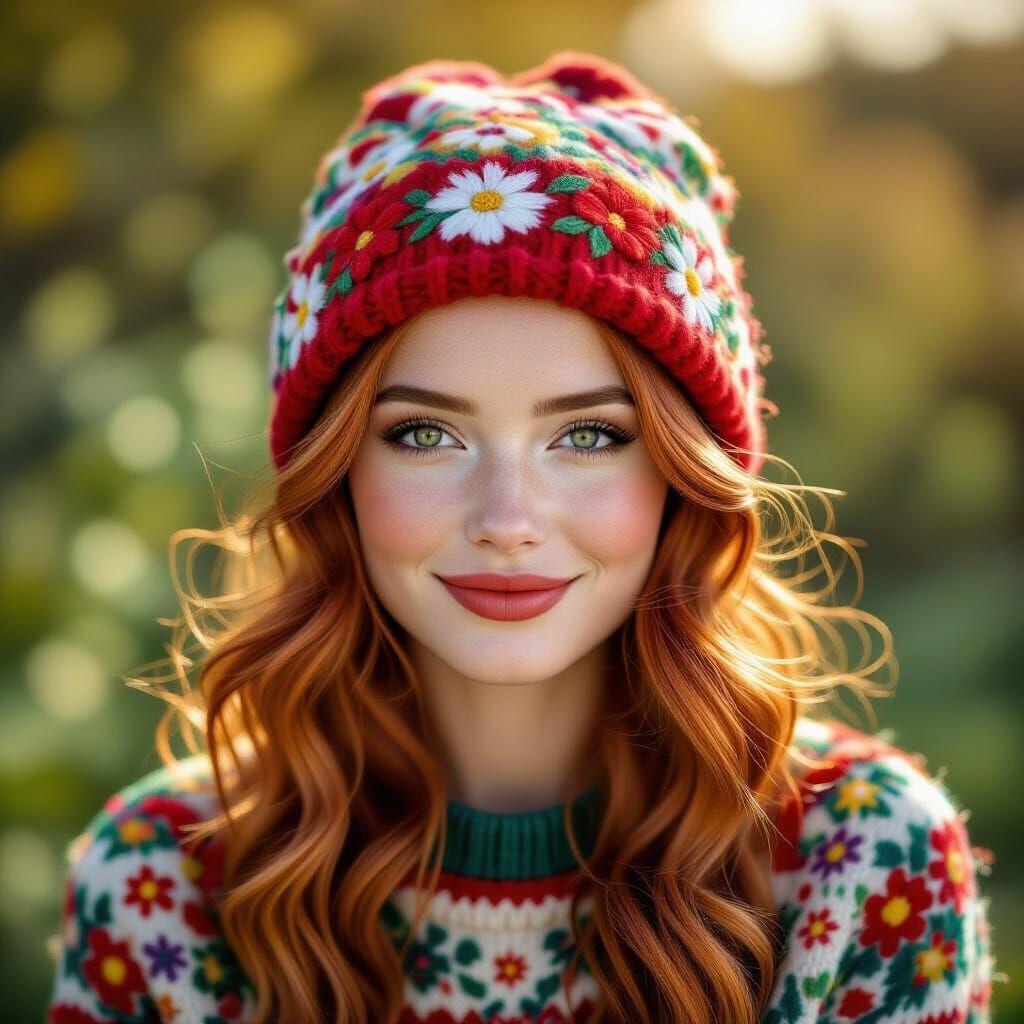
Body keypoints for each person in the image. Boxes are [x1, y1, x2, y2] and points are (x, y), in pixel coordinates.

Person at [45, 51, 996, 1024]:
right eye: (424, 433)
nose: (505, 520)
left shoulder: (863, 863)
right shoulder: (164, 883)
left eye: (588, 435)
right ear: (337, 475)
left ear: (683, 474)